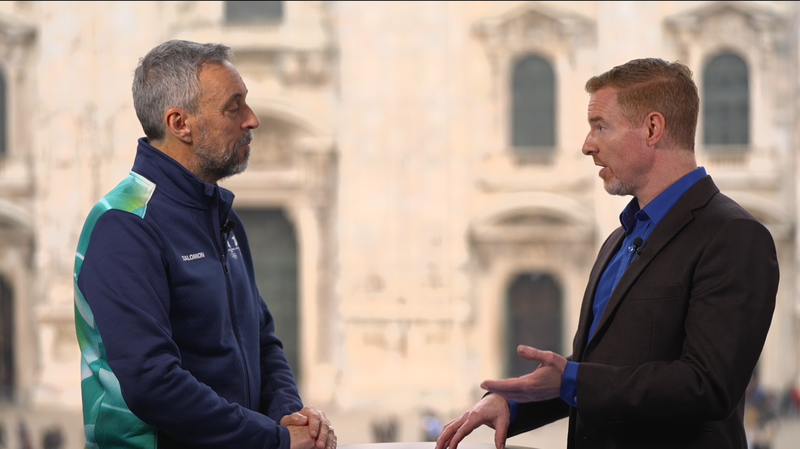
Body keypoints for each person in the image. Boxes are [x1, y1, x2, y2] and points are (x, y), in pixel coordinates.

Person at [436, 58, 778, 448]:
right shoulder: (619, 239)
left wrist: (571, 379)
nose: (587, 145)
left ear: (652, 129)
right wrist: (515, 403)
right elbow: (601, 372)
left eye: (601, 127)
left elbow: (707, 385)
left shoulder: (734, 236)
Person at [73, 40, 336, 449]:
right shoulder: (123, 224)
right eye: (234, 107)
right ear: (180, 123)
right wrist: (274, 440)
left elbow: (262, 340)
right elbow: (152, 382)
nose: (253, 120)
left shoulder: (222, 219)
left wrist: (290, 415)